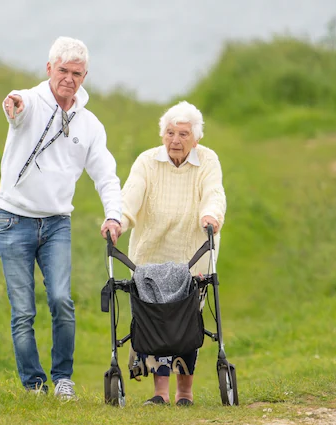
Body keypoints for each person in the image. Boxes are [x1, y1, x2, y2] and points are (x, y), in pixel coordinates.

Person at [0, 36, 122, 399]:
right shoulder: (29, 101)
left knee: (62, 301)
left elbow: (106, 175)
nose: (69, 78)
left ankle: (63, 379)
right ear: (49, 69)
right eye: (62, 70)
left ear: (85, 77)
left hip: (56, 225)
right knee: (23, 311)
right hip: (12, 220)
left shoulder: (90, 125)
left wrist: (113, 215)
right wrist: (12, 105)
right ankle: (34, 385)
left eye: (77, 73)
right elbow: (16, 108)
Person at [120, 100, 226, 406]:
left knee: (185, 320)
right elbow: (131, 195)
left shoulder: (208, 160)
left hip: (192, 254)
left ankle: (185, 392)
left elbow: (213, 193)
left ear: (196, 138)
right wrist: (119, 220)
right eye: (169, 133)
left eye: (183, 134)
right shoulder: (146, 161)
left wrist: (211, 215)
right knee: (156, 321)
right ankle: (160, 393)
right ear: (162, 134)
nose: (175, 140)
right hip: (151, 255)